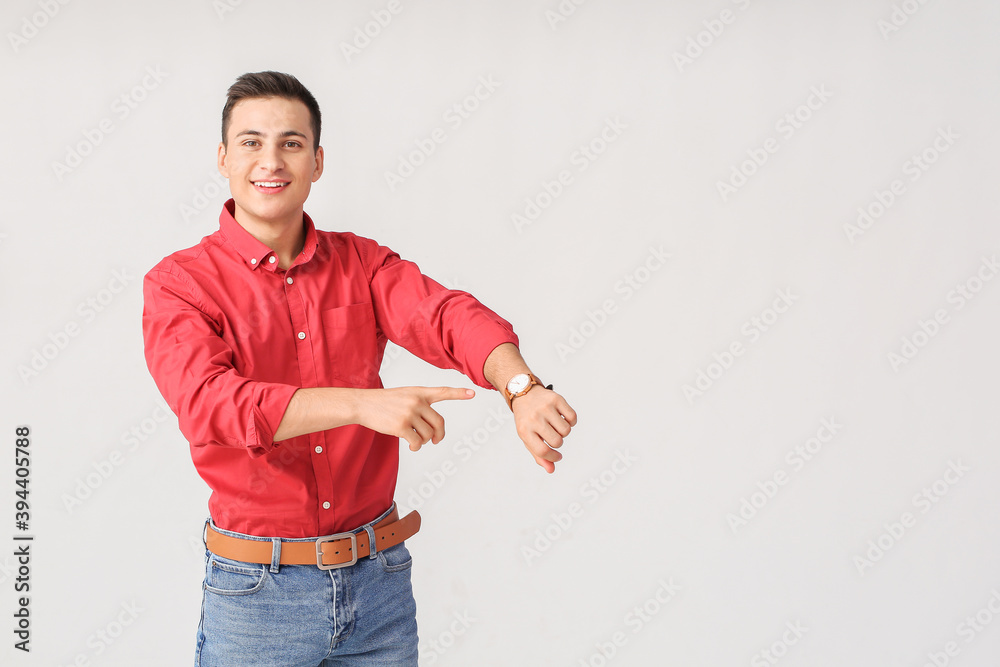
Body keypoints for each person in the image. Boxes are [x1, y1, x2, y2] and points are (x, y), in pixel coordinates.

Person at [141, 70, 577, 666]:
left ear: (317, 161)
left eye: (291, 143)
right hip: (256, 595)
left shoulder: (361, 263)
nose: (271, 160)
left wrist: (520, 386)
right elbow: (211, 406)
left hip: (378, 585)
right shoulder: (181, 283)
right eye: (251, 142)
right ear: (222, 157)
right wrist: (358, 402)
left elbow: (445, 315)